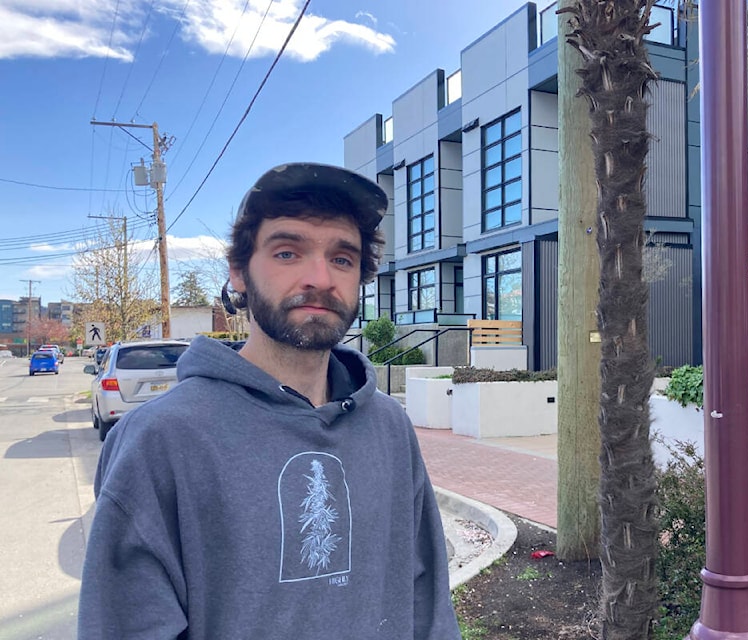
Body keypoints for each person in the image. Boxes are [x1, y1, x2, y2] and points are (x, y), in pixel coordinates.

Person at [78, 163, 462, 639]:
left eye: (342, 259)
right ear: (238, 272)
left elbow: (427, 604)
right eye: (287, 252)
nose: (320, 278)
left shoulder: (388, 427)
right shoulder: (160, 440)